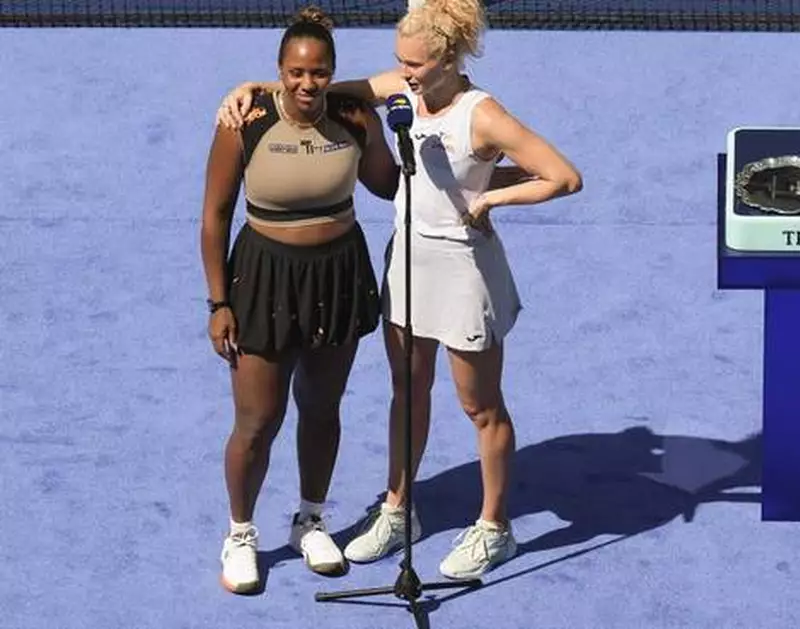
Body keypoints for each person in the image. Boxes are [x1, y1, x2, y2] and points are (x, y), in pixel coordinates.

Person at [214, 0, 582, 580]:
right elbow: (321, 86)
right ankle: (397, 509)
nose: (402, 74)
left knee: (478, 405)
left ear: (449, 58)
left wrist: (490, 196)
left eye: (415, 64)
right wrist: (252, 85)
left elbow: (563, 176)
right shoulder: (402, 89)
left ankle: (495, 527)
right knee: (406, 393)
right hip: (408, 263)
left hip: (464, 268)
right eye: (399, 62)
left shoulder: (483, 114)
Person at [200, 6, 402, 594]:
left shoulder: (353, 114)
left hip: (337, 275)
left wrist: (395, 130)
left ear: (333, 73)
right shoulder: (246, 119)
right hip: (263, 278)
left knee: (321, 408)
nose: (307, 84)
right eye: (295, 73)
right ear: (278, 73)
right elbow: (214, 217)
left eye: (318, 73)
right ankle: (241, 534)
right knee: (258, 420)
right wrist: (218, 304)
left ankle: (310, 520)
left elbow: (387, 185)